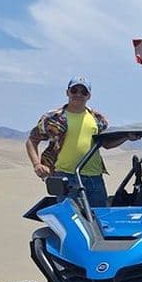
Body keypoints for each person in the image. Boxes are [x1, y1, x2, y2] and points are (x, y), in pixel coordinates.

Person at [26, 76, 119, 207]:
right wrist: (37, 164)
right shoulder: (54, 118)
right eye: (74, 90)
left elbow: (106, 144)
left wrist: (127, 137)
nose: (78, 94)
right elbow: (32, 140)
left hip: (94, 177)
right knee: (69, 220)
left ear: (89, 96)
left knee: (99, 218)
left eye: (83, 92)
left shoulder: (98, 119)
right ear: (67, 92)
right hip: (65, 176)